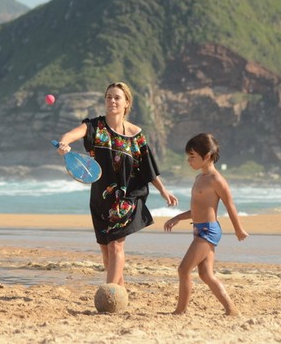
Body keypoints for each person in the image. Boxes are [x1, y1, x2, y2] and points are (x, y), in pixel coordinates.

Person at [56, 81, 178, 287]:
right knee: (106, 254)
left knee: (115, 248)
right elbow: (70, 136)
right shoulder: (94, 127)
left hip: (127, 197)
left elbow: (148, 168)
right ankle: (119, 295)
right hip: (100, 197)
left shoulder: (136, 135)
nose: (112, 100)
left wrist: (163, 190)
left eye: (117, 97)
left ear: (126, 103)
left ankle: (109, 292)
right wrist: (63, 145)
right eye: (108, 97)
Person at [164, 133, 248, 316]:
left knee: (183, 269)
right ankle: (231, 310)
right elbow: (197, 210)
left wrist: (238, 229)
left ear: (207, 156)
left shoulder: (216, 180)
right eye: (188, 156)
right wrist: (177, 217)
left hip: (209, 231)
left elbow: (230, 205)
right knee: (205, 274)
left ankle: (180, 311)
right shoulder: (199, 179)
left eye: (192, 156)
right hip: (199, 229)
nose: (189, 161)